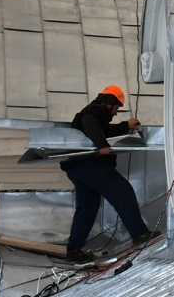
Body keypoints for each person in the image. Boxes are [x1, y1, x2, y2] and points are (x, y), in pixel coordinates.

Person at [61, 85, 159, 263]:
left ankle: (74, 250)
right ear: (109, 102)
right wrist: (101, 145)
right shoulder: (95, 110)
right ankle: (140, 234)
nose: (116, 112)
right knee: (122, 191)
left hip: (77, 167)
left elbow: (104, 130)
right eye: (116, 107)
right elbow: (90, 123)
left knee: (88, 207)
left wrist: (125, 127)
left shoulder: (97, 115)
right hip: (89, 164)